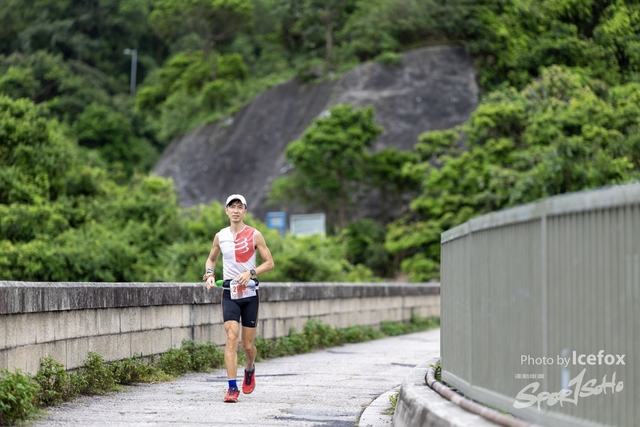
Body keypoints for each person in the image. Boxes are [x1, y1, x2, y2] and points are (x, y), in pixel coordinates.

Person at [203, 194, 275, 403]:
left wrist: (251, 273)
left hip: (250, 294)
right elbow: (211, 259)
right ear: (226, 210)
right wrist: (209, 274)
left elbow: (269, 263)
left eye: (239, 207)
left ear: (245, 211)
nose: (235, 210)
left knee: (247, 346)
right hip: (229, 293)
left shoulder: (255, 235)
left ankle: (250, 368)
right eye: (232, 206)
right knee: (231, 338)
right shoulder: (220, 236)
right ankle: (232, 388)